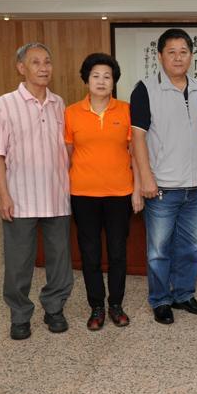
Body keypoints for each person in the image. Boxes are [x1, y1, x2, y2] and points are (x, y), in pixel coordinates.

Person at [0, 42, 73, 340]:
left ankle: (54, 308)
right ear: (21, 67)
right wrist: (3, 195)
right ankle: (20, 315)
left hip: (57, 196)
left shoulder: (59, 103)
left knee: (60, 260)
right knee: (18, 262)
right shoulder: (5, 104)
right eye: (35, 62)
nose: (43, 68)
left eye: (47, 62)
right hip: (20, 198)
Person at [129, 28, 197, 325]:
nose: (178, 58)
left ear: (191, 56)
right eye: (171, 52)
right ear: (160, 56)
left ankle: (184, 295)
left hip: (194, 186)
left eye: (184, 52)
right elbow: (137, 138)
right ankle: (161, 300)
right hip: (161, 186)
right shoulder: (145, 89)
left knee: (191, 247)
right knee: (159, 251)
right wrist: (146, 178)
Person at [65, 53, 141, 331]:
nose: (101, 81)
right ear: (86, 80)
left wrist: (137, 190)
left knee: (118, 252)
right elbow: (67, 155)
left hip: (119, 193)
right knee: (90, 253)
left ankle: (116, 304)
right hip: (83, 194)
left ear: (114, 81)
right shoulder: (71, 112)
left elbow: (135, 153)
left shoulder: (126, 110)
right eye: (95, 75)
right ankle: (96, 306)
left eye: (107, 76)